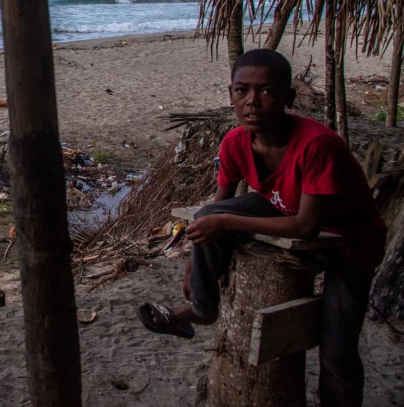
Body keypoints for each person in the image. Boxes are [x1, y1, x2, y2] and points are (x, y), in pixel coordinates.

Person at [137, 49, 386, 406]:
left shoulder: (317, 145)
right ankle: (203, 309)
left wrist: (223, 221)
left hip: (351, 242)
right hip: (282, 206)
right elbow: (216, 209)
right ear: (231, 94)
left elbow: (307, 225)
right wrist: (197, 257)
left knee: (337, 350)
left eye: (267, 91)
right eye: (242, 91)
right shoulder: (236, 142)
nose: (252, 102)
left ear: (289, 97)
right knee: (211, 212)